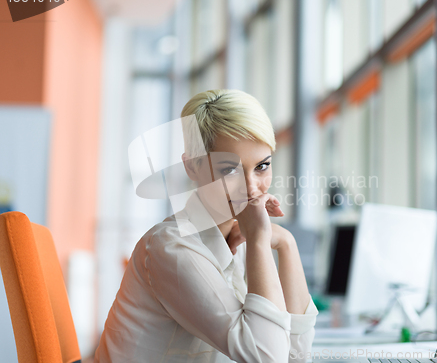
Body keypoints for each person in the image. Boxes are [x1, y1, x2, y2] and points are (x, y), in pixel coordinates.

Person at [94, 89, 318, 363]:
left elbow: (297, 356)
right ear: (191, 167)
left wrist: (286, 244)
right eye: (228, 170)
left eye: (262, 166)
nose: (250, 187)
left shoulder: (243, 245)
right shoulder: (172, 247)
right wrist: (261, 239)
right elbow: (268, 358)